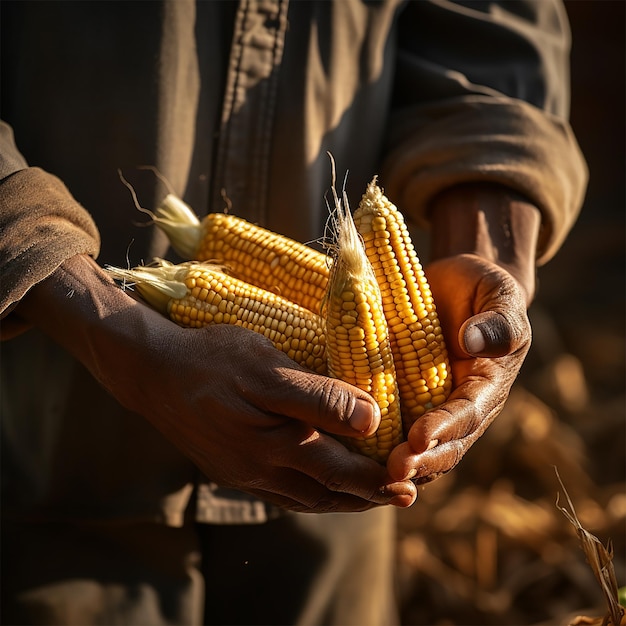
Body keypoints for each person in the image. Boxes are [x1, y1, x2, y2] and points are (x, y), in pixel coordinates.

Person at [0, 1, 587, 624]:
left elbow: (492, 38)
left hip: (338, 485)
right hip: (50, 457)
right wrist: (98, 317)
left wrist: (483, 252)